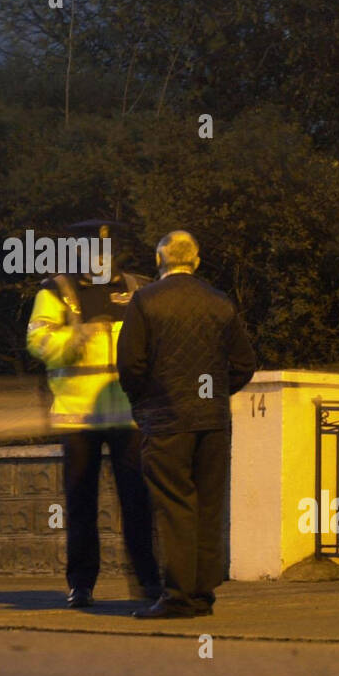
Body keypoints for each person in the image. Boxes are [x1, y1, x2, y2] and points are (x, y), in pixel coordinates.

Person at [116, 230, 257, 618]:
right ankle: (201, 594)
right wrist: (213, 395)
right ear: (196, 261)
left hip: (166, 422)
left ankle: (178, 596)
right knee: (209, 506)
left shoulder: (145, 301)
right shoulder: (219, 302)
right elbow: (244, 364)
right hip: (212, 423)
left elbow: (131, 364)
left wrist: (145, 402)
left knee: (175, 505)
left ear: (159, 261)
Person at [26, 221, 161, 609]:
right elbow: (37, 340)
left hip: (128, 414)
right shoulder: (56, 290)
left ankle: (150, 580)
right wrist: (76, 337)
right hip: (78, 414)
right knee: (81, 502)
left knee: (137, 500)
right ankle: (81, 584)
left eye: (104, 250)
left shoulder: (138, 288)